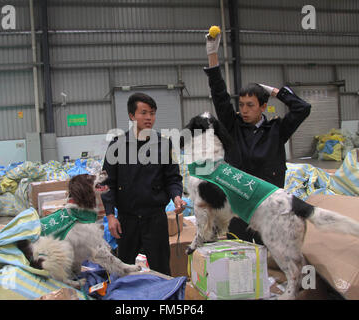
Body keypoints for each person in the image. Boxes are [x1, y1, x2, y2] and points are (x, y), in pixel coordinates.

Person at [204, 30, 311, 244]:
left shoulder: (276, 130)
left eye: (250, 105)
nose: (244, 110)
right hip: (239, 209)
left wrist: (274, 91)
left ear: (263, 107)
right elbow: (219, 95)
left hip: (268, 207)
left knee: (266, 257)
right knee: (238, 256)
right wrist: (212, 55)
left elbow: (302, 108)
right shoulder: (233, 126)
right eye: (241, 105)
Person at [101, 92, 186, 275]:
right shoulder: (117, 144)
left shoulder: (163, 144)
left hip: (155, 219)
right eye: (144, 113)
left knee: (161, 271)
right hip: (127, 220)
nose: (149, 118)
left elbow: (172, 178)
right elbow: (107, 183)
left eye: (152, 113)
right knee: (125, 271)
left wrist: (177, 196)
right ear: (132, 116)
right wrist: (110, 215)